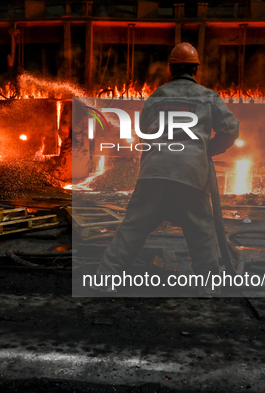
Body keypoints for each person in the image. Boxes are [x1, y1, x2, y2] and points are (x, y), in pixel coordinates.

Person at [93, 42, 239, 292]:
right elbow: (230, 129)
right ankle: (208, 285)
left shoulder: (157, 96)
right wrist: (208, 149)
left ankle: (106, 279)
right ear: (196, 68)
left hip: (154, 173)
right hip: (191, 174)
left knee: (132, 228)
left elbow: (145, 135)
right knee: (201, 231)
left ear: (170, 68)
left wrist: (152, 166)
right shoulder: (207, 96)